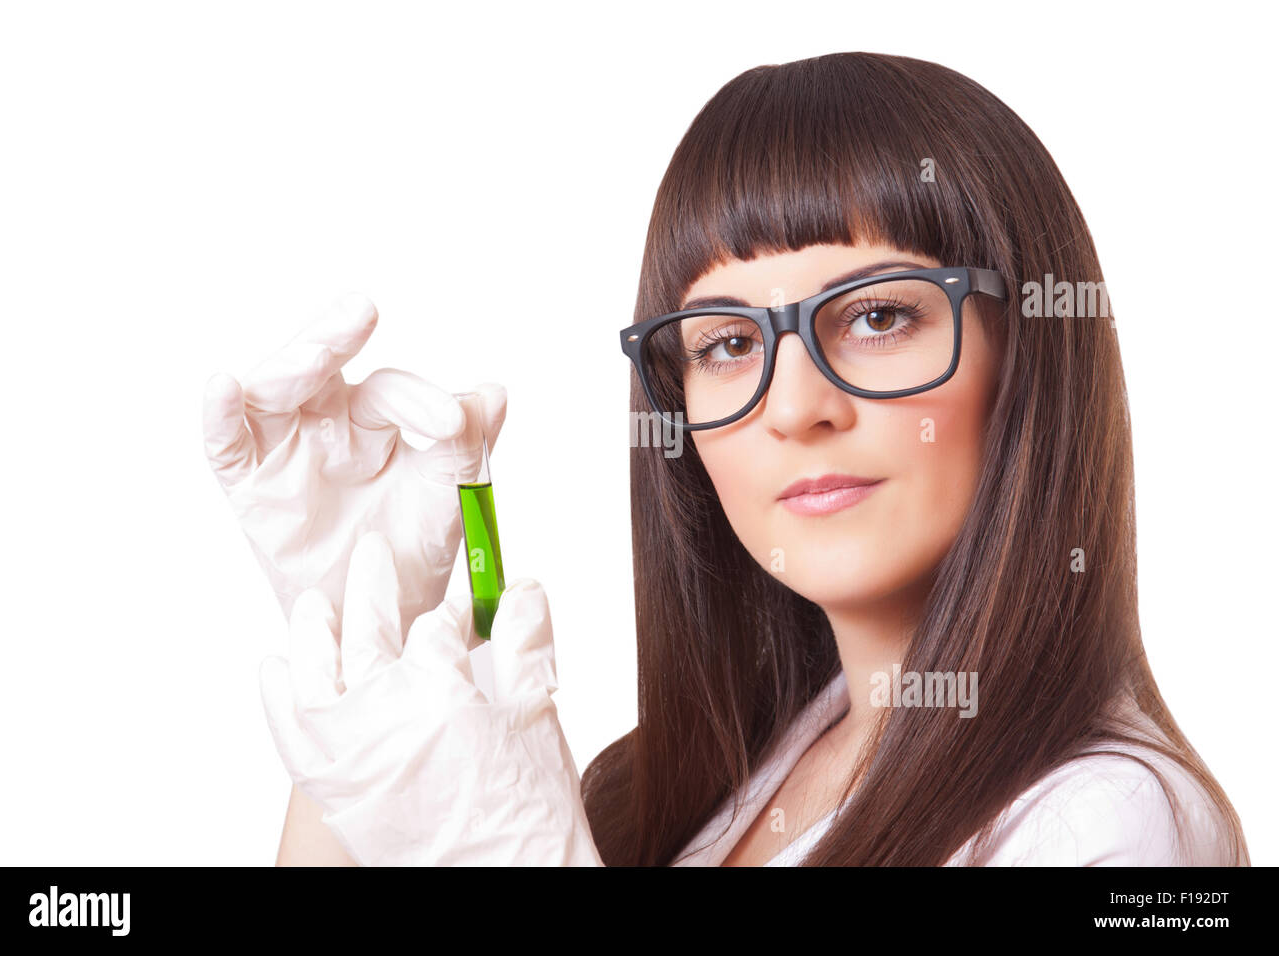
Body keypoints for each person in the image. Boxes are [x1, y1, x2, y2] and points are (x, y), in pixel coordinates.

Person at [204, 51, 1248, 866]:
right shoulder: (669, 786)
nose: (794, 405)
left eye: (879, 315)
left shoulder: (1106, 820)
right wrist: (364, 625)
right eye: (728, 344)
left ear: (1030, 351)